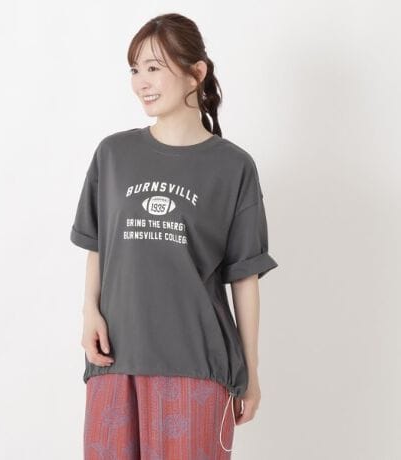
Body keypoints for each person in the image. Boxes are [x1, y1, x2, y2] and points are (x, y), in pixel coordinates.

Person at [70, 13, 279, 460]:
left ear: (195, 72)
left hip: (197, 366)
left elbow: (244, 278)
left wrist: (251, 373)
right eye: (135, 69)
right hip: (115, 359)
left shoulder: (233, 167)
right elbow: (98, 244)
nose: (141, 82)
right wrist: (89, 310)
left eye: (154, 67)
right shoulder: (113, 154)